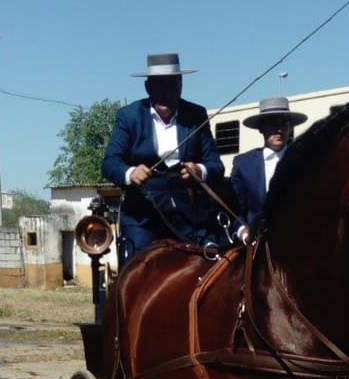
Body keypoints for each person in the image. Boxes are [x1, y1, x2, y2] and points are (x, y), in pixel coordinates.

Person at [102, 53, 225, 263]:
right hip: (143, 214)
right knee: (138, 270)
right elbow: (110, 163)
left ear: (181, 85)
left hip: (189, 216)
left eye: (172, 86)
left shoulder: (196, 116)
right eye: (159, 86)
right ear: (148, 87)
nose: (166, 93)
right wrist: (131, 173)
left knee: (211, 265)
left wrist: (200, 170)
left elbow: (216, 165)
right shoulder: (129, 116)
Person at [229, 97, 307, 233]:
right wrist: (243, 231)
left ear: (290, 127)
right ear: (261, 128)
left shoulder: (302, 160)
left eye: (284, 123)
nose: (279, 130)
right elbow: (234, 209)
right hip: (256, 245)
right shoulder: (243, 164)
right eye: (272, 124)